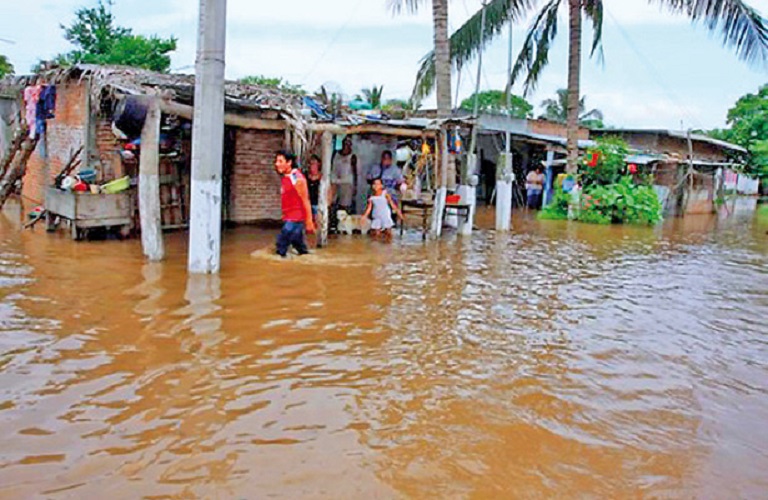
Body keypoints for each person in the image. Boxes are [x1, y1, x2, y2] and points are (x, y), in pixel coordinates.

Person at [274, 150, 315, 257]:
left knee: (281, 244)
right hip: (289, 217)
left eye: (280, 161)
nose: (276, 164)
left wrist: (309, 221)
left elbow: (306, 200)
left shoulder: (297, 178)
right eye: (276, 161)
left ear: (289, 162)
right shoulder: (285, 177)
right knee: (299, 246)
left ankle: (279, 266)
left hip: (296, 217)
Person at [331, 137, 357, 212]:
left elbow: (354, 172)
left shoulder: (352, 156)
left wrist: (355, 186)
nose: (346, 146)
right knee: (333, 202)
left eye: (348, 144)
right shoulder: (336, 154)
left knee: (345, 204)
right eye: (345, 143)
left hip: (347, 182)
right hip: (335, 181)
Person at [306, 154, 322, 223]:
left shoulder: (322, 177)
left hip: (317, 203)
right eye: (311, 163)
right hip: (308, 203)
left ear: (318, 164)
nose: (312, 166)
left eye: (314, 163)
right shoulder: (306, 176)